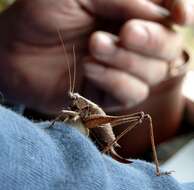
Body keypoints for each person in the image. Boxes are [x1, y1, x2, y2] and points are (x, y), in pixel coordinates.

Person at [0, 0, 194, 189]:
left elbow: (82, 119)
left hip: (103, 125)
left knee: (142, 117)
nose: (73, 99)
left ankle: (149, 165)